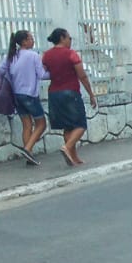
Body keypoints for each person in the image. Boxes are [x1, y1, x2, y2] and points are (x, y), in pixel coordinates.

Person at [40, 27, 96, 167]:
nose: (70, 41)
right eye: (69, 38)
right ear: (62, 38)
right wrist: (91, 94)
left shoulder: (46, 55)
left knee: (67, 126)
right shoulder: (71, 54)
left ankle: (73, 156)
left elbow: (44, 73)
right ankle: (67, 147)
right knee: (80, 124)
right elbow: (82, 75)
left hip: (54, 93)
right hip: (70, 92)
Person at [0, 29, 50, 166]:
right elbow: (42, 75)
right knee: (41, 124)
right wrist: (54, 73)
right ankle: (27, 148)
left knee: (27, 124)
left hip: (16, 95)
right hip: (30, 94)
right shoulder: (33, 55)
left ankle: (29, 156)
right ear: (24, 42)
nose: (33, 40)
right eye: (31, 38)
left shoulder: (12, 56)